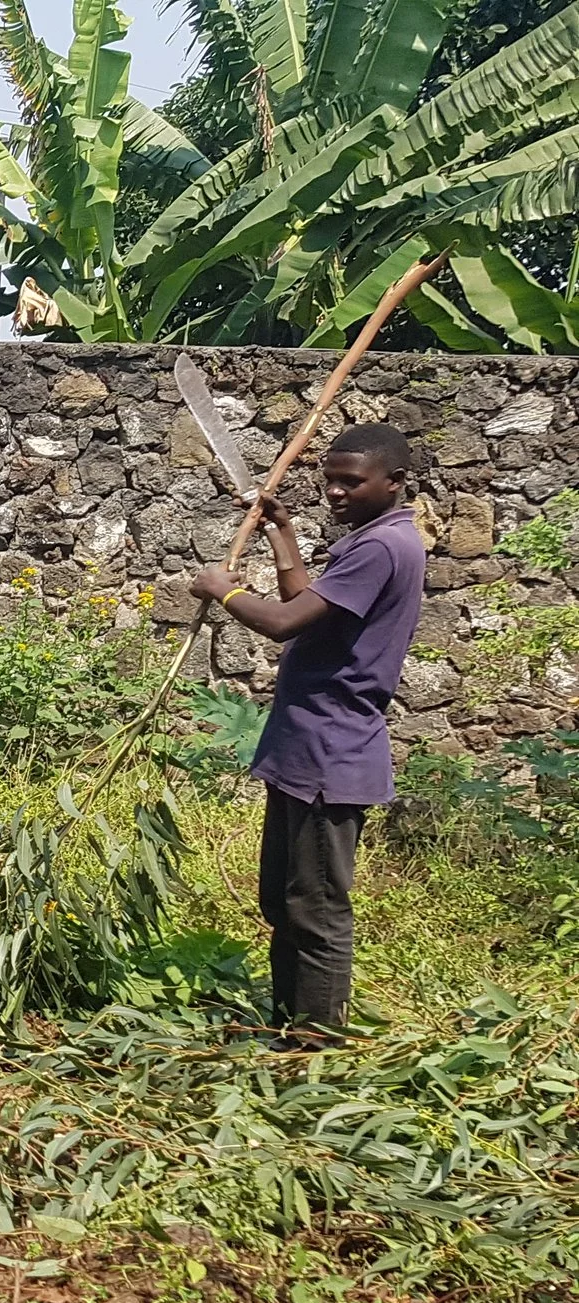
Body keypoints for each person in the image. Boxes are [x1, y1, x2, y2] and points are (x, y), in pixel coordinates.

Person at [191, 421, 425, 1037]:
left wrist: (226, 590)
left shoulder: (383, 548)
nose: (336, 493)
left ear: (395, 483)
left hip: (331, 754)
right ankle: (287, 1026)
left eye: (352, 482)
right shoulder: (371, 541)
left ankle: (315, 1047)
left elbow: (285, 621)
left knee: (315, 908)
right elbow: (313, 606)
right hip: (305, 751)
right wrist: (282, 532)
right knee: (285, 901)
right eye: (330, 481)